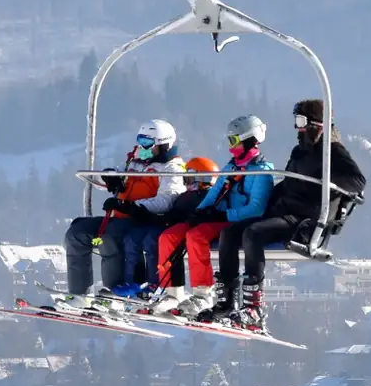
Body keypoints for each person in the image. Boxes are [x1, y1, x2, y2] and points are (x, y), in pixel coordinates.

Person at [204, 99, 366, 330]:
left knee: (253, 233)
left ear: (316, 124)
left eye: (301, 121)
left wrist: (323, 185)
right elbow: (290, 182)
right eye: (296, 121)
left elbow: (357, 181)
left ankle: (254, 307)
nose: (297, 128)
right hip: (283, 210)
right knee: (229, 233)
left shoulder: (333, 151)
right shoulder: (299, 151)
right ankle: (227, 302)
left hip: (303, 219)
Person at [151, 123, 273, 318]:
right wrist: (199, 212)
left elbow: (256, 208)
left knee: (196, 236)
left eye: (233, 140)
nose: (230, 145)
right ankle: (172, 293)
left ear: (249, 140)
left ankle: (202, 294)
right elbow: (215, 192)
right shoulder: (231, 166)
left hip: (235, 220)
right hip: (218, 216)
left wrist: (224, 215)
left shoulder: (261, 171)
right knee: (169, 236)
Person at [61, 119, 186, 295]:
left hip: (142, 219)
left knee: (108, 237)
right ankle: (79, 292)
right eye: (140, 141)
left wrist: (130, 206)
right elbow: (110, 176)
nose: (142, 147)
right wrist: (110, 177)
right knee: (77, 233)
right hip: (118, 217)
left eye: (147, 143)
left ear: (163, 144)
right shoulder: (134, 162)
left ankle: (115, 290)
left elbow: (166, 200)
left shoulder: (172, 168)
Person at [122, 156, 220, 301]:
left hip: (201, 229)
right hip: (181, 227)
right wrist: (145, 215)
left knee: (159, 239)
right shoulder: (185, 197)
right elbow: (172, 217)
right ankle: (170, 291)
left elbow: (214, 214)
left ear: (203, 178)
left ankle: (200, 293)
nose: (187, 184)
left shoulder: (209, 196)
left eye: (190, 179)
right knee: (160, 237)